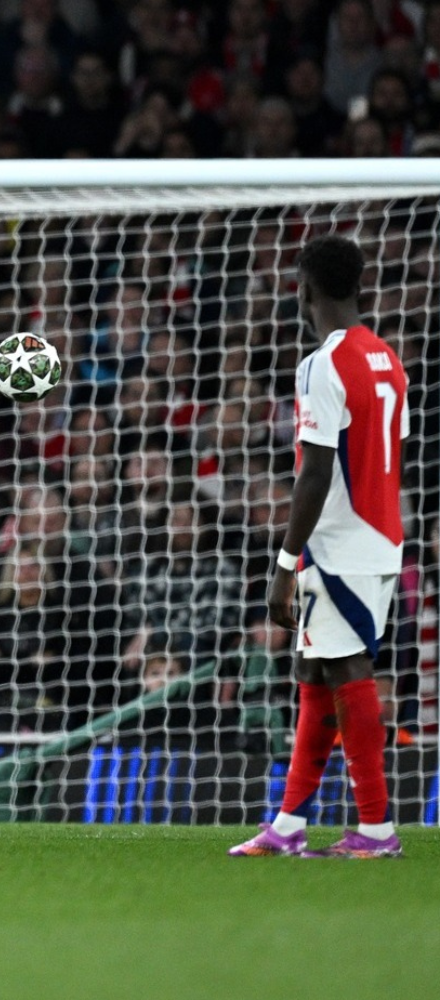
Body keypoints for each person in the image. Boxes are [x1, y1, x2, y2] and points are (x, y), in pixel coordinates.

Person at [230, 235, 408, 859]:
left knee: (348, 672)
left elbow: (315, 472)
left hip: (340, 545)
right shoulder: (388, 359)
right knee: (312, 670)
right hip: (377, 536)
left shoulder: (322, 363)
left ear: (304, 290)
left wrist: (285, 564)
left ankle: (377, 829)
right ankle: (289, 824)